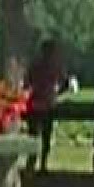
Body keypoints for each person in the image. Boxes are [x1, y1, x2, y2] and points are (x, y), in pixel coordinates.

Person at [25, 39, 64, 174]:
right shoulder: (55, 66)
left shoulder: (35, 65)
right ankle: (42, 164)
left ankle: (32, 164)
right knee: (45, 137)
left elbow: (27, 82)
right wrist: (56, 93)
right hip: (47, 105)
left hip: (35, 104)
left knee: (34, 136)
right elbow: (63, 82)